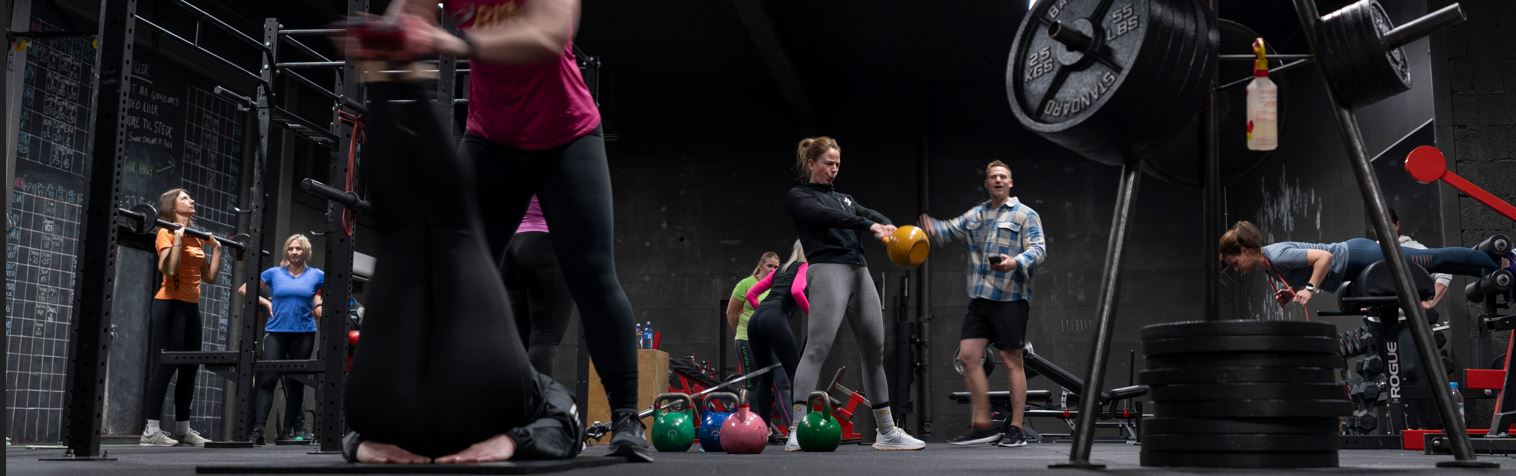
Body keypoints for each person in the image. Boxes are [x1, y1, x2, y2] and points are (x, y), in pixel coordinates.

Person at [370, 0, 650, 459]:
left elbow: (547, 36)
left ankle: (626, 418)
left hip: (567, 135)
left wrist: (452, 42)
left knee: (592, 274)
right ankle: (439, 407)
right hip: (492, 139)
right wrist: (387, 35)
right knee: (452, 275)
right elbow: (409, 16)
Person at [338, 73, 581, 464]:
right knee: (428, 234)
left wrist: (357, 444)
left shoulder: (399, 378)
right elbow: (569, 419)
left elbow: (354, 430)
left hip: (390, 422)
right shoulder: (509, 380)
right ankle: (389, 80)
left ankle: (389, 79)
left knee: (419, 235)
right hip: (477, 414)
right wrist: (514, 441)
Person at [786, 136, 925, 451]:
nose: (834, 169)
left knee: (875, 351)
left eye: (837, 164)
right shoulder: (800, 195)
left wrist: (888, 227)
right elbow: (829, 217)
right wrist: (867, 225)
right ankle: (796, 429)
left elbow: (870, 214)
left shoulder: (845, 199)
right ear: (811, 163)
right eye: (828, 163)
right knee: (817, 348)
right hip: (828, 268)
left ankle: (886, 431)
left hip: (858, 270)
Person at [918, 160, 1046, 448]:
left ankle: (1016, 429)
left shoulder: (1025, 214)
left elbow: (1039, 250)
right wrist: (930, 227)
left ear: (1010, 182)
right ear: (987, 183)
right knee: (968, 356)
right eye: (993, 176)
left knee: (1012, 361)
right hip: (981, 299)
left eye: (1003, 176)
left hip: (1011, 298)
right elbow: (948, 229)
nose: (998, 180)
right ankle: (983, 424)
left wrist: (1015, 262)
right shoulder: (976, 214)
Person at [1218, 220, 1502, 305]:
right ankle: (1488, 269)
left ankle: (1501, 263)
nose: (1237, 268)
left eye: (1234, 261)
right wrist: (1292, 292)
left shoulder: (1276, 255)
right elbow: (1308, 269)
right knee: (1431, 264)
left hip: (1359, 255)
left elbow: (1324, 257)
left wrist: (1310, 288)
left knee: (1430, 260)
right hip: (1355, 263)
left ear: (1244, 250)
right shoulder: (1269, 266)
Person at [141, 188, 220, 447]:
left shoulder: (196, 237)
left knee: (190, 367)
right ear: (171, 205)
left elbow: (209, 277)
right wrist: (177, 239)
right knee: (166, 366)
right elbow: (171, 269)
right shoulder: (165, 232)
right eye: (185, 198)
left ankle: (183, 430)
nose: (191, 200)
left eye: (190, 197)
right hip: (169, 304)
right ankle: (151, 431)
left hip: (191, 308)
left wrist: (217, 250)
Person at [238, 234, 324, 444]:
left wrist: (319, 303)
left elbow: (336, 293)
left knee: (296, 383)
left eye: (298, 249)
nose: (294, 252)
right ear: (286, 250)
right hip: (276, 331)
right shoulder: (274, 273)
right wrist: (266, 303)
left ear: (306, 251)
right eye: (291, 248)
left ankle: (286, 432)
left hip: (304, 333)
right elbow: (244, 289)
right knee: (268, 379)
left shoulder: (316, 275)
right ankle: (258, 430)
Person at [502, 195, 574, 374]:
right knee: (545, 340)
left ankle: (518, 393)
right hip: (544, 241)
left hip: (511, 244)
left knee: (518, 342)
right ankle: (537, 394)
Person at [743, 242, 808, 432]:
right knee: (796, 374)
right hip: (775, 317)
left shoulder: (781, 269)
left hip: (755, 320)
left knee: (765, 378)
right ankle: (798, 429)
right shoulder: (804, 266)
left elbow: (751, 294)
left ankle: (764, 431)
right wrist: (812, 314)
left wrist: (763, 314)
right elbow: (796, 291)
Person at [728, 251, 794, 427]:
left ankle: (792, 428)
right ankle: (759, 430)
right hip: (747, 340)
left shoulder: (777, 286)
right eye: (769, 265)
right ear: (761, 265)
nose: (772, 269)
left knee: (782, 383)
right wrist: (742, 333)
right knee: (754, 386)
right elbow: (731, 313)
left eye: (776, 267)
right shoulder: (746, 284)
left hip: (772, 341)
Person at [1385, 209, 1453, 310]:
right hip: (1378, 317)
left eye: (1388, 225)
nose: (1384, 231)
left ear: (1397, 225)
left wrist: (1431, 302)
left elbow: (1444, 271)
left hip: (1409, 317)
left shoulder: (1414, 249)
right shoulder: (1373, 249)